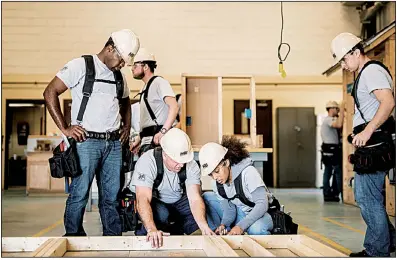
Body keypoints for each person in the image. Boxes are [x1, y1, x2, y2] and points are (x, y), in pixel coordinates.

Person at [43, 29, 140, 236]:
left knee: (111, 196)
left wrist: (125, 127)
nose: (123, 65)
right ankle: (73, 236)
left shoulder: (119, 77)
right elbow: (50, 91)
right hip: (86, 142)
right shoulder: (81, 66)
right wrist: (65, 128)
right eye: (121, 60)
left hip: (113, 144)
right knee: (79, 193)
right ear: (110, 48)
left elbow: (126, 103)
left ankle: (113, 239)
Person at [331, 32, 396, 257]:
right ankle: (389, 243)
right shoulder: (365, 73)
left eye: (345, 59)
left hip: (375, 143)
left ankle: (377, 250)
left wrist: (367, 131)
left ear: (356, 52)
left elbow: (388, 102)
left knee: (367, 197)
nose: (343, 64)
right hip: (372, 143)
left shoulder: (372, 72)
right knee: (369, 197)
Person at [130, 128, 215, 248]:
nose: (181, 165)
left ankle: (177, 230)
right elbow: (143, 199)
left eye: (184, 161)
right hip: (157, 201)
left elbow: (195, 199)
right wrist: (151, 229)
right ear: (165, 154)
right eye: (177, 161)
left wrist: (204, 227)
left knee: (198, 217)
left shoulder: (191, 164)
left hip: (179, 200)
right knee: (161, 215)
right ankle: (153, 232)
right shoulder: (147, 161)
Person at [199, 136, 274, 235]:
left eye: (217, 171)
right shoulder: (217, 184)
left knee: (257, 229)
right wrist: (224, 225)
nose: (215, 177)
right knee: (207, 197)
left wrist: (241, 226)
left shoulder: (248, 173)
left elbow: (262, 205)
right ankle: (217, 234)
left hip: (261, 213)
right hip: (241, 212)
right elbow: (229, 209)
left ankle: (248, 230)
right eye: (211, 174)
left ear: (226, 162)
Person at [129, 48, 179, 156]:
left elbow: (174, 107)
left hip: (158, 141)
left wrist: (163, 132)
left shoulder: (159, 83)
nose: (132, 69)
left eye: (135, 65)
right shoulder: (144, 88)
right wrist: (139, 139)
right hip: (148, 141)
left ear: (146, 66)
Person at [321, 100, 344, 202]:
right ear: (331, 109)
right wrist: (343, 111)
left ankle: (331, 193)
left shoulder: (329, 119)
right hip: (331, 149)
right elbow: (338, 125)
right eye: (337, 109)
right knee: (336, 171)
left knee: (329, 171)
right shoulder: (328, 120)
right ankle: (332, 193)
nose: (338, 111)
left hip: (330, 149)